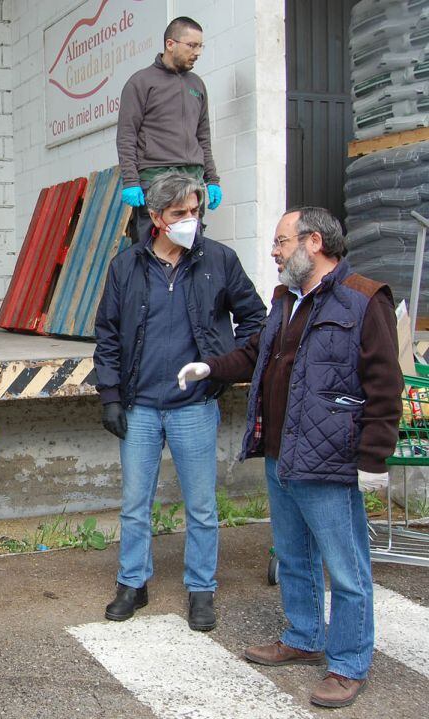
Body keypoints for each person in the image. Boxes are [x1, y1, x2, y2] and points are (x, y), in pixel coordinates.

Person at [178, 207, 402, 708]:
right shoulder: (286, 300)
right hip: (281, 453)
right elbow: (253, 354)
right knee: (294, 557)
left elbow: (386, 387)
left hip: (331, 459)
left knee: (346, 569)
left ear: (313, 242)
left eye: (281, 242)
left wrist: (372, 461)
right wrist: (207, 367)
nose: (274, 252)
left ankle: (348, 663)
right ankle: (304, 637)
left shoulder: (364, 300)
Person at [93, 172, 265, 631]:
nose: (191, 220)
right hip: (140, 406)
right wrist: (110, 395)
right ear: (156, 218)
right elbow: (107, 334)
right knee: (135, 503)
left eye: (195, 211)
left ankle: (201, 588)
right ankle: (133, 583)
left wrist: (229, 366)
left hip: (194, 406)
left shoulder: (220, 261)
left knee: (202, 505)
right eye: (179, 214)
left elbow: (255, 318)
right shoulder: (126, 266)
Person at [117, 16, 222, 244]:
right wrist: (131, 182)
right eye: (192, 45)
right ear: (170, 44)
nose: (198, 52)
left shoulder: (197, 85)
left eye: (200, 46)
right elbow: (127, 136)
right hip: (156, 176)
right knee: (151, 248)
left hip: (191, 176)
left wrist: (212, 179)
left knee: (190, 248)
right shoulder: (141, 82)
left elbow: (203, 136)